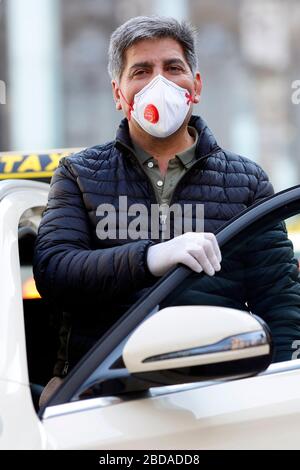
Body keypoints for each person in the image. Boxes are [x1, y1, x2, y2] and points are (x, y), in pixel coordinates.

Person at [33, 16, 300, 404]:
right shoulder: (79, 174)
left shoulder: (246, 182)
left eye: (173, 68)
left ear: (196, 86)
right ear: (118, 92)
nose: (159, 83)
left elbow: (281, 303)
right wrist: (151, 257)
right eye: (141, 70)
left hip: (217, 399)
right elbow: (55, 272)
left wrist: (270, 397)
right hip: (101, 401)